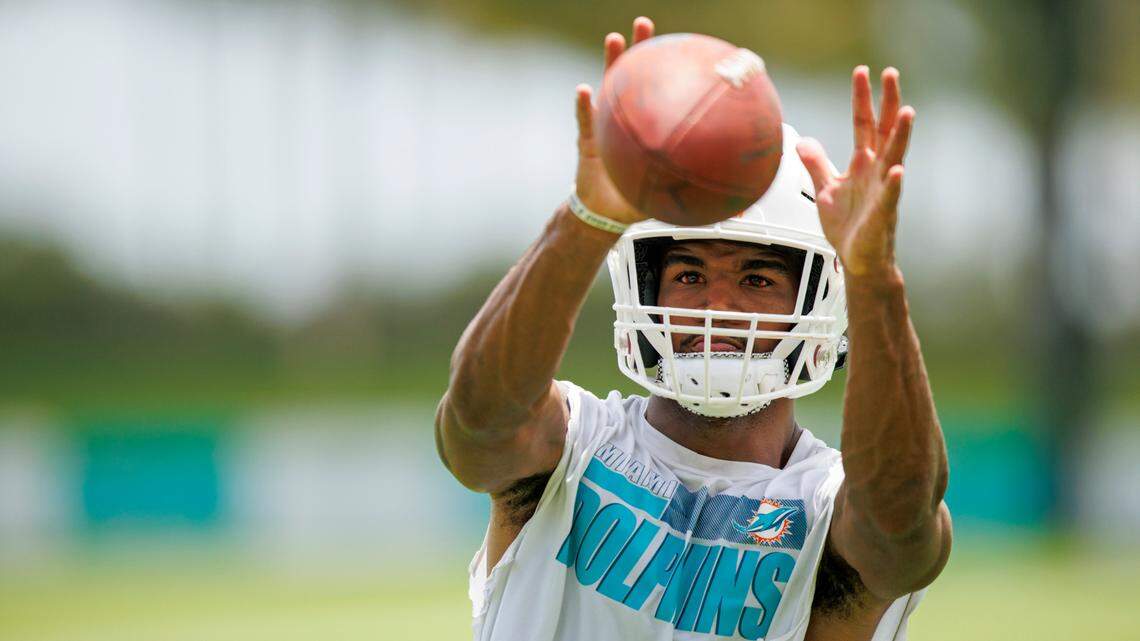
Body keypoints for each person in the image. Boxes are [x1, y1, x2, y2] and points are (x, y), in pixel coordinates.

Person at [435, 16, 951, 641]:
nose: (720, 306)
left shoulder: (828, 504)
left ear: (818, 302)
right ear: (645, 286)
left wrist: (875, 281)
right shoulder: (570, 450)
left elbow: (900, 529)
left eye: (758, 280)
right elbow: (476, 425)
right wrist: (588, 219)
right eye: (688, 274)